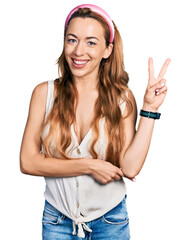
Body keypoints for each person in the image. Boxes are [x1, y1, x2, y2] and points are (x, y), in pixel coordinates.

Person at [19, 4, 170, 240]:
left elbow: (129, 167)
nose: (79, 51)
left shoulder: (122, 98)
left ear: (107, 50)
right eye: (72, 40)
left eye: (91, 42)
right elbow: (28, 162)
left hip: (110, 221)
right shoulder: (43, 93)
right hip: (57, 221)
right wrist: (90, 165)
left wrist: (149, 109)